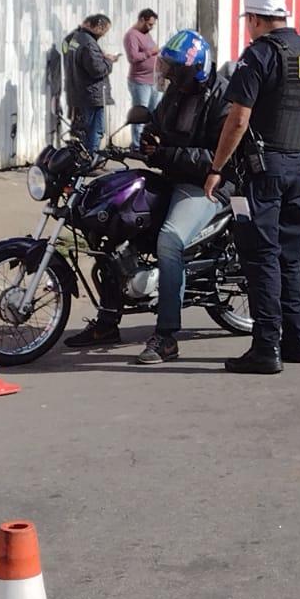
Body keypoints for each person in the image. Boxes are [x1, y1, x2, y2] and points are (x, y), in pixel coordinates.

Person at [203, 0, 300, 374]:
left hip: (263, 171)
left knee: (261, 257)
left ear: (254, 19)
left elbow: (238, 120)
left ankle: (266, 348)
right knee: (290, 257)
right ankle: (298, 342)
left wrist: (217, 168)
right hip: (297, 167)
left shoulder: (259, 55)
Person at [65, 29, 231, 357]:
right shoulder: (177, 91)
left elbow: (218, 157)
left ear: (194, 70)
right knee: (112, 223)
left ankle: (166, 336)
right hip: (172, 175)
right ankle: (108, 321)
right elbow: (156, 123)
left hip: (206, 185)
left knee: (169, 240)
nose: (169, 76)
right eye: (168, 69)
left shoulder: (223, 98)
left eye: (176, 70)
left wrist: (165, 152)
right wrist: (147, 139)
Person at [62, 14, 120, 152]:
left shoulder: (75, 38)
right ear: (99, 27)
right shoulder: (89, 44)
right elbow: (97, 70)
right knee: (96, 130)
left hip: (79, 92)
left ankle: (81, 157)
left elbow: (78, 58)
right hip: (92, 95)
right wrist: (109, 61)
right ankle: (90, 159)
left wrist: (101, 56)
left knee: (83, 130)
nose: (104, 34)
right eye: (105, 30)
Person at [125, 9, 161, 150]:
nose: (151, 27)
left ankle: (147, 144)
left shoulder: (147, 35)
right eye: (149, 24)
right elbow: (133, 57)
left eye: (153, 25)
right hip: (140, 82)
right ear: (141, 20)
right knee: (140, 115)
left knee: (153, 115)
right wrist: (151, 52)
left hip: (153, 81)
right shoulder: (132, 35)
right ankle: (136, 145)